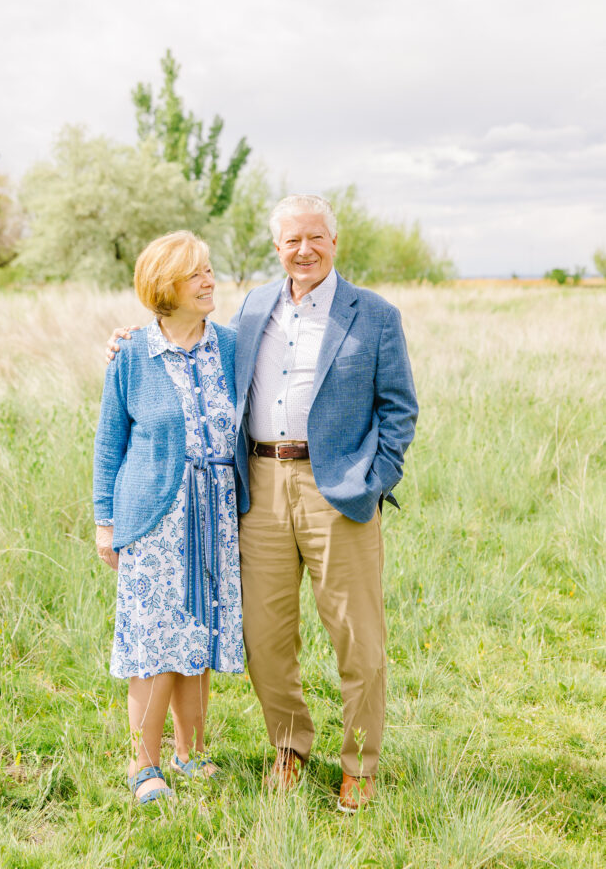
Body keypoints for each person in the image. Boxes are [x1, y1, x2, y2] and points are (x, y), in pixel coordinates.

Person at [108, 195, 417, 812]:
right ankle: (290, 746)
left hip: (340, 491)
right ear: (277, 248)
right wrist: (128, 342)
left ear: (334, 241)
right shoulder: (252, 311)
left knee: (357, 636)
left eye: (314, 238)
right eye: (290, 241)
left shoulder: (375, 315)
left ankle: (359, 763)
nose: (303, 250)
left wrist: (374, 479)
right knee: (265, 638)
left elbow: (399, 410)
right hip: (258, 486)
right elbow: (176, 338)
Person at [94, 230, 243, 805]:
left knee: (197, 637)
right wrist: (104, 521)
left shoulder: (230, 347)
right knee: (153, 642)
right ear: (165, 287)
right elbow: (110, 443)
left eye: (209, 269)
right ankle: (144, 765)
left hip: (216, 515)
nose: (210, 281)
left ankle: (191, 754)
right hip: (155, 517)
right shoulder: (131, 355)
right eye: (196, 273)